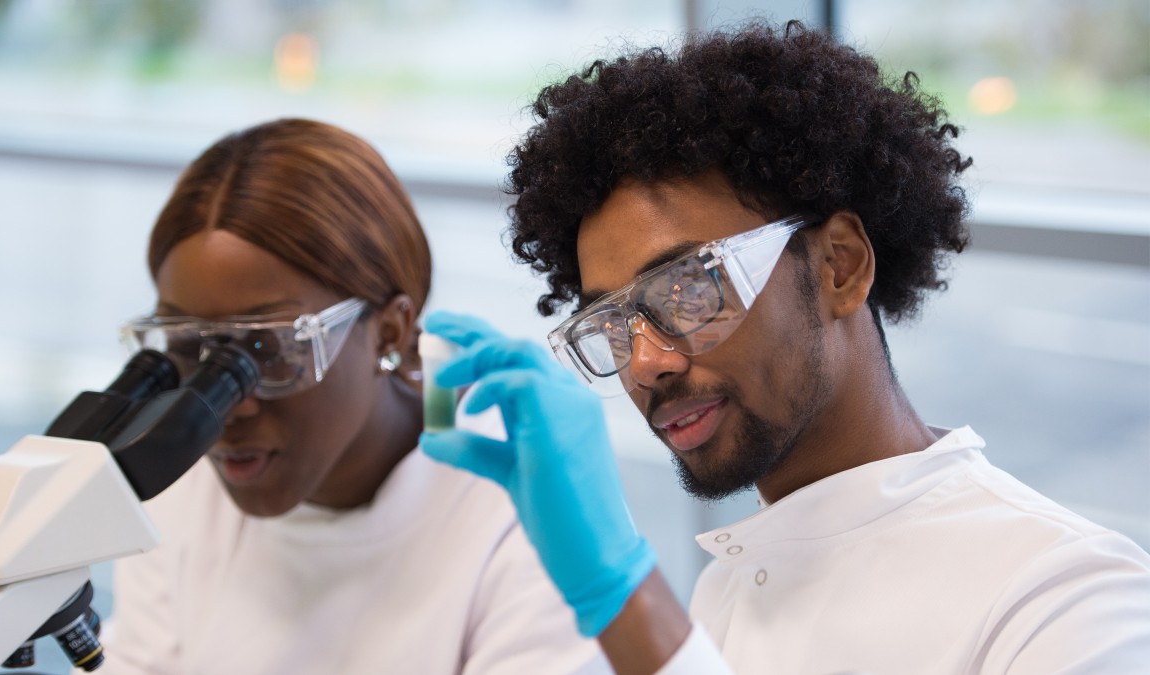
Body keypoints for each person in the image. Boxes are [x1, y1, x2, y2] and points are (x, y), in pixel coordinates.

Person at [418, 20, 1150, 674]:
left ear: (840, 266)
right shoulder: (726, 591)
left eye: (687, 290)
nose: (645, 362)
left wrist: (621, 592)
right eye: (610, 324)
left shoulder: (1062, 601)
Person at [102, 118, 609, 674]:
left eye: (265, 350)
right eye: (186, 347)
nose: (223, 410)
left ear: (389, 331)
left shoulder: (521, 509)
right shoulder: (181, 477)